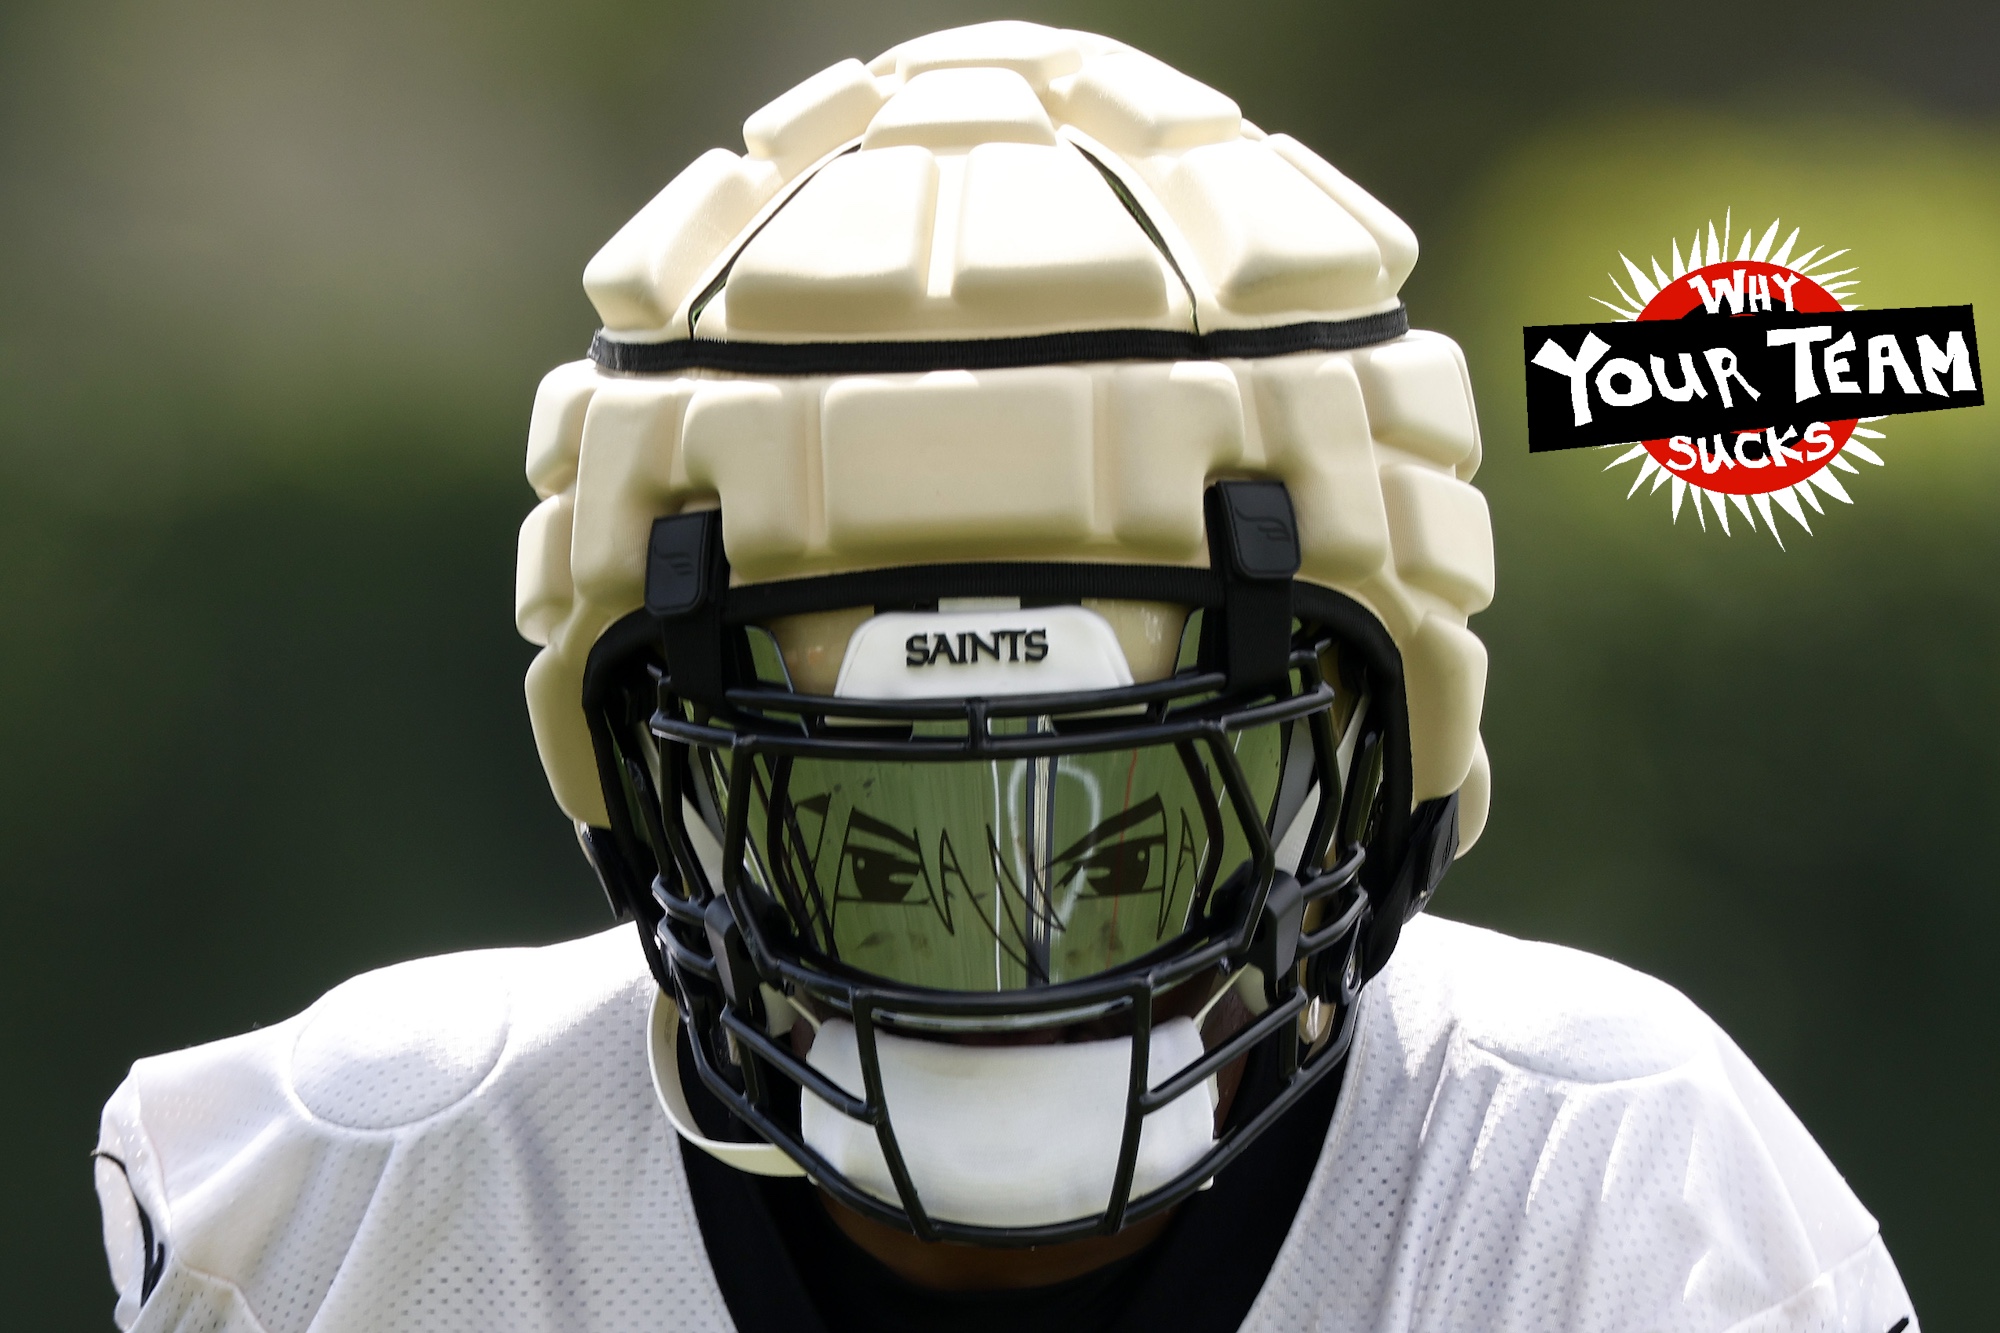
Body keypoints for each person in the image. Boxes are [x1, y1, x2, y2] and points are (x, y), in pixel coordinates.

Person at [92, 21, 1919, 1333]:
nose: (1013, 972)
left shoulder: (1613, 1201)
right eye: (882, 853)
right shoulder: (346, 1196)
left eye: (1118, 840)